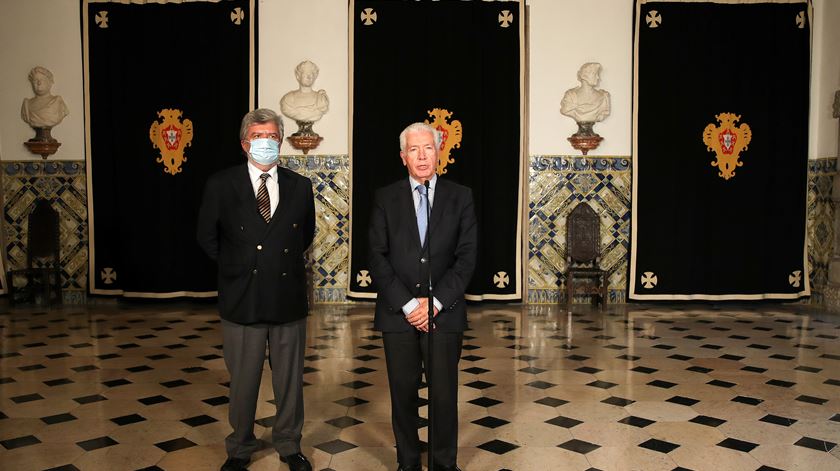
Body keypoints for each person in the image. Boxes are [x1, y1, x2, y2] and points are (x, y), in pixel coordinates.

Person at [197, 108, 315, 471]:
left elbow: (305, 235)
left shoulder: (300, 185)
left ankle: (289, 444)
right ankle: (240, 448)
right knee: (243, 382)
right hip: (241, 297)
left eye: (272, 137)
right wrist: (237, 266)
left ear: (280, 141)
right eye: (258, 137)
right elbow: (206, 236)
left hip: (287, 297)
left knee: (289, 382)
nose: (266, 143)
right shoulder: (221, 184)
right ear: (245, 143)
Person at [368, 122, 478, 471]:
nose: (422, 155)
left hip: (444, 313)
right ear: (403, 157)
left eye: (428, 148)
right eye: (414, 150)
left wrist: (436, 302)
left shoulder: (461, 196)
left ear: (439, 152)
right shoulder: (385, 197)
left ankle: (444, 464)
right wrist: (409, 304)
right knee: (402, 395)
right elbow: (376, 256)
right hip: (397, 314)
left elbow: (467, 257)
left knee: (444, 396)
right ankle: (408, 463)